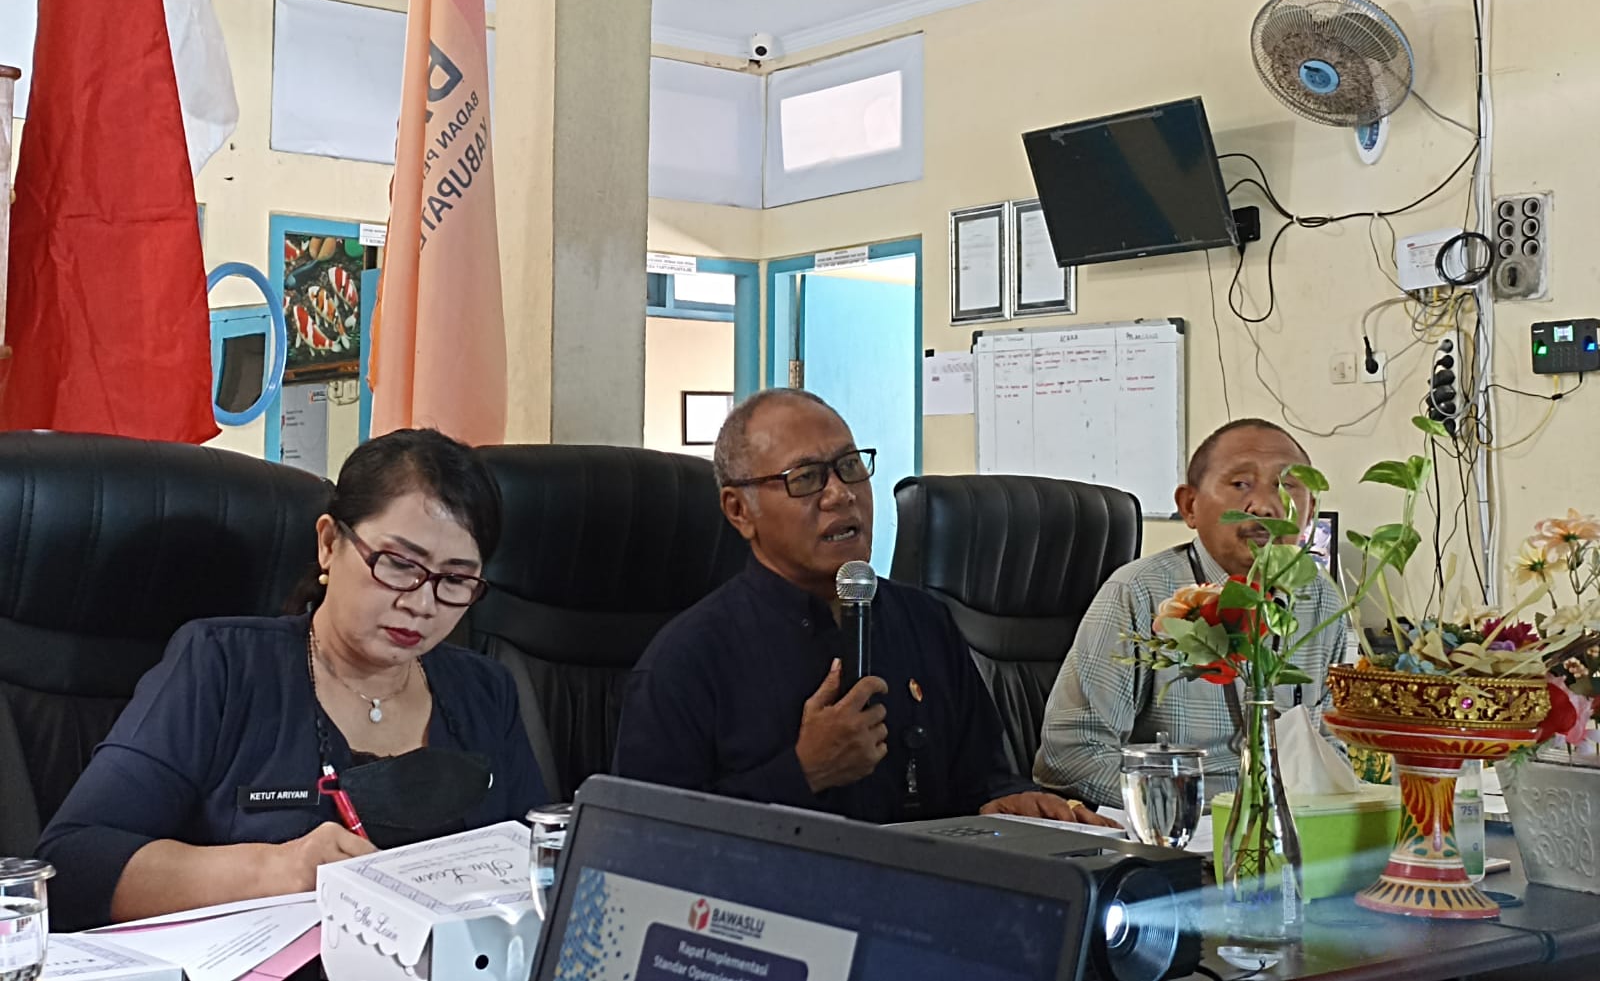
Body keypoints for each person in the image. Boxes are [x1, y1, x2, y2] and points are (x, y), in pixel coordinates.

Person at [38, 429, 547, 930]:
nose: (421, 603)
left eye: (454, 580)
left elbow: (542, 862)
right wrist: (274, 869)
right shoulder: (223, 665)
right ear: (329, 543)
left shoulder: (485, 691)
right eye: (397, 564)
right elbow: (71, 865)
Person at [612, 388, 1114, 827]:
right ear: (739, 511)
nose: (840, 494)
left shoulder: (924, 621)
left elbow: (982, 779)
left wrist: (1012, 802)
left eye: (850, 467)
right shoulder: (689, 658)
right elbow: (646, 840)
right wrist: (804, 771)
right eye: (805, 478)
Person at [1033, 417, 1347, 808]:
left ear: (1310, 508)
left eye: (1287, 485)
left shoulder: (1321, 600)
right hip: (1176, 825)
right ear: (1189, 506)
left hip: (1293, 825)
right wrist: (1198, 811)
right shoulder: (1138, 592)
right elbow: (1072, 756)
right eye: (1240, 484)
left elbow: (1332, 745)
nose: (1265, 505)